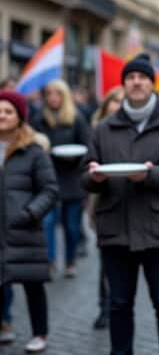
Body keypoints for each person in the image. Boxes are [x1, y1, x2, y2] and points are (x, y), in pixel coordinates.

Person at [82, 53, 159, 355]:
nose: (136, 82)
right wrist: (96, 178)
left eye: (142, 77)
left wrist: (150, 174)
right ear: (123, 85)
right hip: (115, 229)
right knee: (119, 303)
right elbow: (87, 174)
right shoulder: (103, 128)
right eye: (130, 77)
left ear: (152, 85)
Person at [0, 90, 59, 353]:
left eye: (8, 111)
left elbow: (49, 190)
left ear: (20, 117)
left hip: (23, 228)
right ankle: (4, 326)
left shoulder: (33, 151)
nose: (2, 115)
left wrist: (30, 213)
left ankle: (40, 333)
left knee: (32, 284)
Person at [33, 79, 90, 278]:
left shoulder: (77, 118)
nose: (53, 98)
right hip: (47, 178)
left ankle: (70, 260)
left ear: (64, 96)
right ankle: (49, 261)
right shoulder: (39, 118)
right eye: (49, 94)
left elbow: (87, 148)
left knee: (71, 226)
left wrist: (78, 158)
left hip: (72, 178)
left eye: (57, 94)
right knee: (47, 222)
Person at [88, 86, 125, 330]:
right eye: (115, 100)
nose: (118, 104)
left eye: (122, 101)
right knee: (106, 259)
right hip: (104, 200)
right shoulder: (98, 131)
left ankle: (118, 303)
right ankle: (105, 306)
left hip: (131, 198)